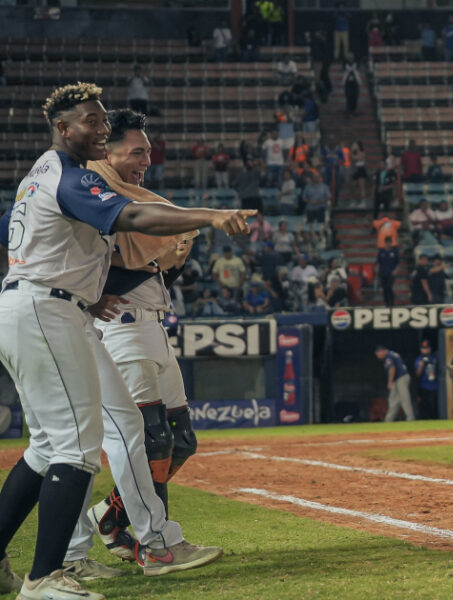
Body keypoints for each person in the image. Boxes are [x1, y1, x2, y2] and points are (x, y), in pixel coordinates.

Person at [0, 83, 251, 597]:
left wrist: (70, 286)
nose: (99, 128)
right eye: (90, 122)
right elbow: (131, 216)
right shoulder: (70, 177)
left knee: (51, 447)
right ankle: (46, 577)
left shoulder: (41, 177)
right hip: (46, 312)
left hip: (51, 306)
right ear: (63, 128)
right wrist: (207, 215)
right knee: (74, 446)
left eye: (101, 120)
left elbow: (14, 234)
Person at [376, 346, 414, 422]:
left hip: (401, 378)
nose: (378, 356)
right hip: (399, 379)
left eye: (378, 354)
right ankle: (389, 419)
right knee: (394, 399)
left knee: (404, 398)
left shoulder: (389, 356)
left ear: (381, 351)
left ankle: (410, 418)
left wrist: (390, 382)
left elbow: (392, 368)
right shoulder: (392, 354)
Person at [414, 340, 440, 420]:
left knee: (434, 405)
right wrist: (421, 366)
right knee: (425, 406)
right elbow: (417, 374)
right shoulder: (419, 359)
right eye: (423, 348)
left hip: (435, 385)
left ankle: (435, 419)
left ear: (430, 349)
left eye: (427, 348)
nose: (425, 350)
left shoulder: (435, 357)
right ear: (421, 349)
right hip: (424, 386)